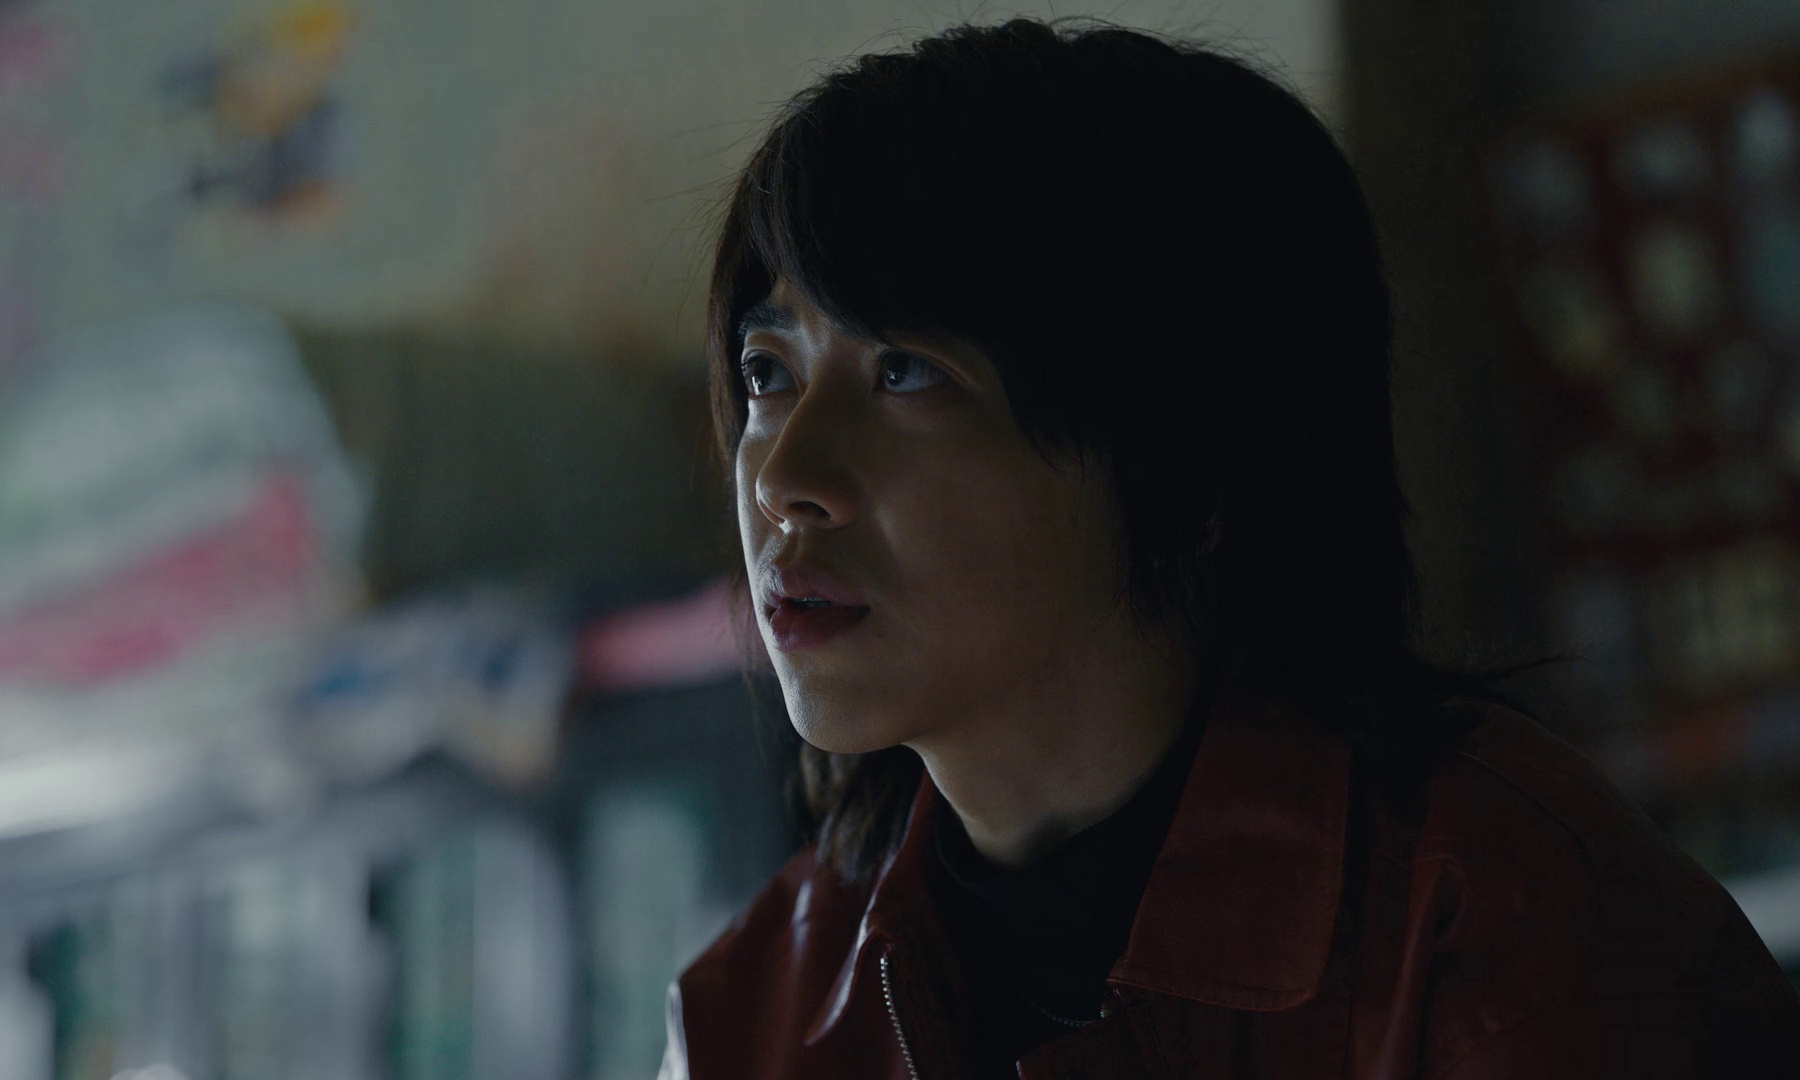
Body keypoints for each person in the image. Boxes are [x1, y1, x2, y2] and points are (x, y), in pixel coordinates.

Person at [659, 16, 1800, 1079]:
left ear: (1188, 458)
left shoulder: (1497, 926)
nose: (784, 477)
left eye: (905, 372)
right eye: (768, 373)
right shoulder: (751, 1016)